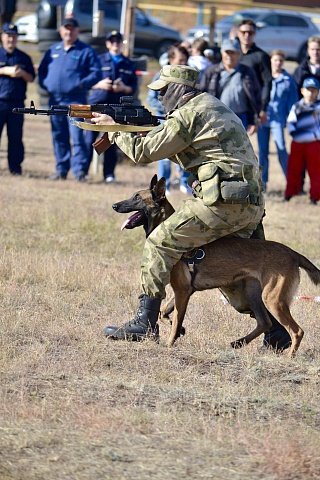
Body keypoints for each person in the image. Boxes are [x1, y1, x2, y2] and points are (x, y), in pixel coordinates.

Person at [90, 64, 266, 341]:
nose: (159, 97)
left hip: (222, 203)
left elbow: (142, 153)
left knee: (159, 242)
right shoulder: (211, 106)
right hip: (247, 205)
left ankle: (145, 323)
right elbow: (189, 149)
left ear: (179, 89)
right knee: (233, 271)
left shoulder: (189, 113)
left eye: (162, 91)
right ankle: (277, 331)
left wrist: (115, 129)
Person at [38, 18, 101, 181]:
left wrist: (81, 84)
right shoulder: (53, 49)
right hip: (55, 100)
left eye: (72, 29)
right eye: (66, 29)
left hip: (77, 99)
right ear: (60, 31)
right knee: (59, 135)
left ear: (77, 31)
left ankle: (79, 172)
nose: (69, 32)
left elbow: (96, 73)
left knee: (78, 135)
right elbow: (42, 70)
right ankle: (61, 170)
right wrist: (47, 84)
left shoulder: (86, 51)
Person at [84, 31, 137, 183]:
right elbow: (87, 81)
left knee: (110, 141)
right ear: (107, 44)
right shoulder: (97, 61)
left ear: (122, 43)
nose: (115, 44)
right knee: (88, 140)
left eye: (118, 41)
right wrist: (99, 85)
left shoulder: (129, 64)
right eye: (112, 41)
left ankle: (109, 174)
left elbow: (133, 88)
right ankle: (83, 171)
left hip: (116, 107)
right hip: (97, 105)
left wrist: (123, 88)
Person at [147, 43, 191, 194]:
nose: (183, 64)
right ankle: (163, 185)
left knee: (185, 152)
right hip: (165, 121)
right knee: (164, 155)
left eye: (185, 60)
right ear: (171, 59)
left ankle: (185, 183)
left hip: (183, 122)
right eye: (180, 60)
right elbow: (151, 99)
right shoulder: (161, 76)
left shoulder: (189, 77)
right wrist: (166, 109)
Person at [200, 37, 260, 136]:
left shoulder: (247, 72)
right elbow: (202, 95)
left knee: (239, 149)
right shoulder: (212, 72)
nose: (229, 56)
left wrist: (253, 121)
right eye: (227, 52)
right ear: (222, 53)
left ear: (239, 54)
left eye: (233, 52)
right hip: (217, 117)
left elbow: (256, 96)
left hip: (241, 117)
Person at [258, 50, 299, 189]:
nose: (278, 63)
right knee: (263, 152)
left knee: (281, 149)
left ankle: (291, 181)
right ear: (270, 61)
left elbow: (293, 101)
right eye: (275, 60)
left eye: (280, 60)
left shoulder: (288, 80)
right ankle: (263, 183)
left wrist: (291, 118)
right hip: (263, 119)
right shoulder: (264, 77)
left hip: (278, 120)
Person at [0, 22, 35, 175]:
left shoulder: (24, 58)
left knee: (15, 138)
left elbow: (32, 78)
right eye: (8, 36)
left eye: (13, 37)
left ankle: (15, 169)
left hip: (16, 104)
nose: (11, 40)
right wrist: (4, 71)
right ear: (2, 37)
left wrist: (22, 74)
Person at [284, 77, 320, 205]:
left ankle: (315, 196)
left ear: (317, 92)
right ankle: (289, 193)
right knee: (293, 169)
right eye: (308, 90)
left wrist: (314, 135)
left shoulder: (319, 107)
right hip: (297, 143)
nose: (311, 93)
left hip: (314, 144)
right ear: (302, 91)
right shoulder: (297, 107)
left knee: (315, 171)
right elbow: (291, 124)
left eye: (314, 90)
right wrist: (297, 134)